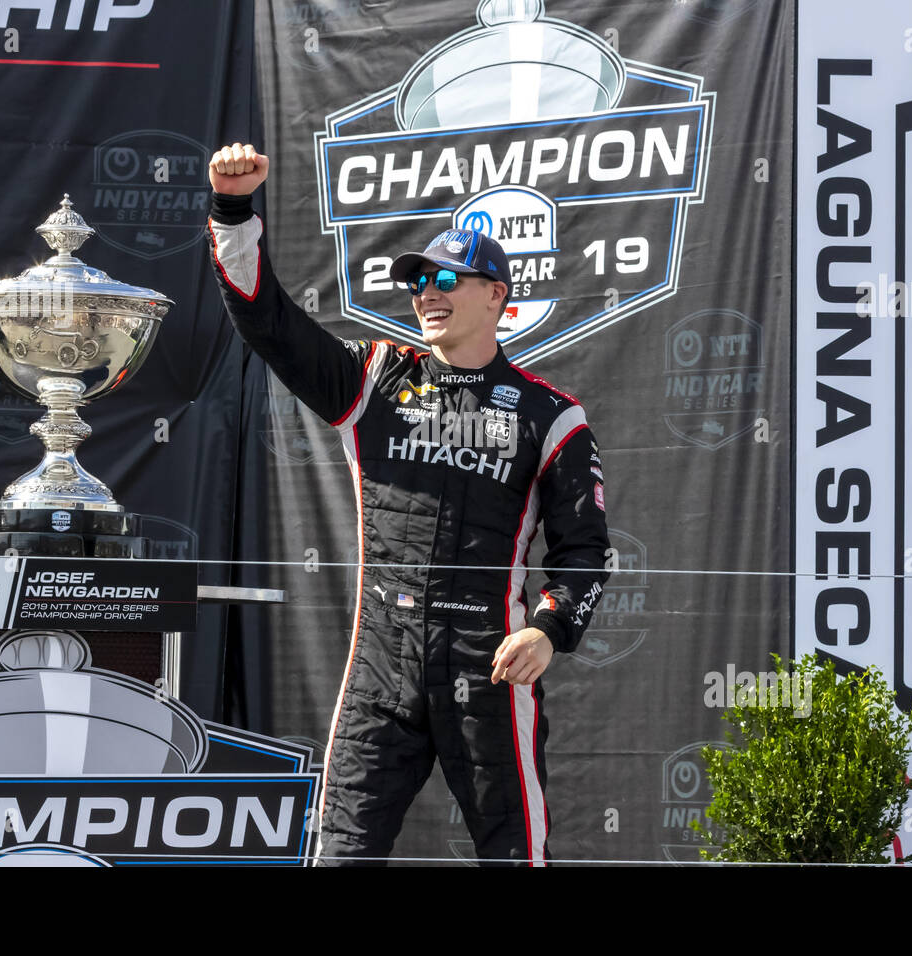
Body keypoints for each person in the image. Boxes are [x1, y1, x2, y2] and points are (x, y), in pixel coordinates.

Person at [206, 142, 610, 865]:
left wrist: (548, 631)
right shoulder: (374, 380)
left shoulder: (552, 415)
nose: (427, 292)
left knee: (518, 855)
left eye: (447, 278)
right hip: (380, 670)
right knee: (340, 855)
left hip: (487, 668)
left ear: (496, 295)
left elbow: (584, 550)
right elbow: (268, 323)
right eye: (418, 279)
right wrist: (234, 211)